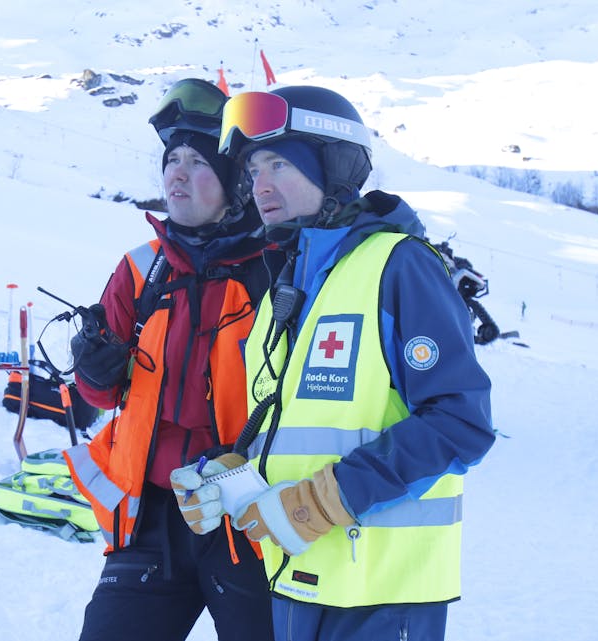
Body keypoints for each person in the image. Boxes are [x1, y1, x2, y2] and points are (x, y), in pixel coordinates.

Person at [172, 86, 495, 641]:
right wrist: (230, 471)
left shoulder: (400, 266)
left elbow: (460, 422)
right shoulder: (285, 288)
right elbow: (292, 428)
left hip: (382, 593)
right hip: (298, 583)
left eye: (278, 163)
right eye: (253, 170)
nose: (260, 185)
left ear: (333, 165)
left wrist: (327, 498)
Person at [63, 78, 275, 641]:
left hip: (247, 521)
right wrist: (93, 370)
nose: (177, 174)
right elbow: (99, 396)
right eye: (171, 160)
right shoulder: (141, 269)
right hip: (153, 515)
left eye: (197, 161)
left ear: (235, 184)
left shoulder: (276, 271)